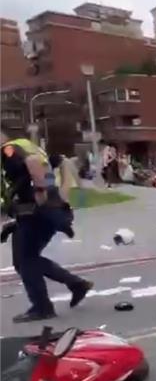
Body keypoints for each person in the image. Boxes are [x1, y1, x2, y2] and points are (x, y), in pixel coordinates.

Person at [1, 133, 92, 322]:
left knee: (26, 260)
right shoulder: (24, 145)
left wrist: (41, 190)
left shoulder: (8, 149)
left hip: (37, 212)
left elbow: (34, 163)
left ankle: (43, 308)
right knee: (24, 260)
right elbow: (48, 164)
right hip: (37, 211)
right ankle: (76, 284)